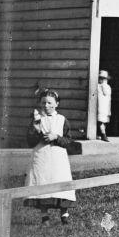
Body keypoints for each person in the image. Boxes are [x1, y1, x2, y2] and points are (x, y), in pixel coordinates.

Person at [25, 90, 76, 224]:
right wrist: (36, 130)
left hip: (58, 158)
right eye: (44, 103)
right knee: (42, 182)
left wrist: (56, 137)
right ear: (40, 104)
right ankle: (44, 217)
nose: (46, 105)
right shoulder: (37, 120)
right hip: (42, 156)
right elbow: (30, 142)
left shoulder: (62, 120)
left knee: (61, 182)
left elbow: (69, 141)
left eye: (50, 103)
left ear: (56, 104)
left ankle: (64, 215)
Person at [90, 70, 113, 142]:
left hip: (104, 106)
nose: (102, 80)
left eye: (103, 79)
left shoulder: (100, 86)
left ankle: (103, 134)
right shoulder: (104, 87)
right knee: (101, 121)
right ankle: (103, 134)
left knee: (102, 121)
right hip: (102, 106)